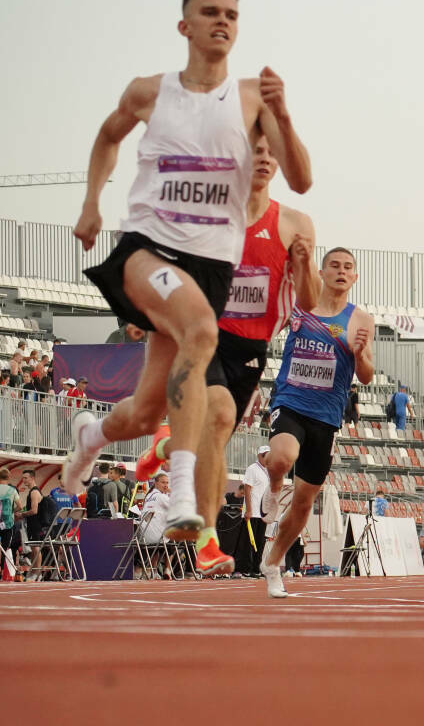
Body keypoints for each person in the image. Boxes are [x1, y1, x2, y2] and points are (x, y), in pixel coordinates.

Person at [64, 0, 313, 551]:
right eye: (210, 13)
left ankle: (93, 433)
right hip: (147, 248)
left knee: (145, 415)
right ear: (185, 27)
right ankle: (182, 499)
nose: (222, 21)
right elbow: (107, 138)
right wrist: (90, 204)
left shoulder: (252, 98)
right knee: (203, 330)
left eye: (231, 14)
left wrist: (284, 114)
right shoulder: (150, 92)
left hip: (207, 267)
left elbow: (300, 178)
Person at [134, 134, 318, 576]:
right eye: (254, 152)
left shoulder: (295, 224)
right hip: (206, 334)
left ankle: (164, 444)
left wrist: (304, 265)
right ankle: (208, 542)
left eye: (271, 154)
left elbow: (308, 302)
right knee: (216, 417)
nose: (263, 160)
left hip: (251, 351)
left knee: (214, 437)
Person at [258, 247, 374, 598]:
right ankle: (275, 484)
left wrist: (357, 353)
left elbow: (367, 376)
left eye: (348, 267)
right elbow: (265, 328)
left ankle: (273, 563)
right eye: (334, 266)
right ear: (322, 272)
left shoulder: (361, 319)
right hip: (291, 401)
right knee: (281, 457)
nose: (341, 271)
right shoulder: (300, 305)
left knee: (306, 504)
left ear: (354, 277)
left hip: (326, 415)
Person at [240, 445, 270, 575]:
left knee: (260, 541)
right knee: (249, 542)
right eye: (265, 455)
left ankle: (256, 568)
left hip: (262, 512)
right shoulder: (252, 469)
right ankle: (247, 568)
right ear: (259, 456)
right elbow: (247, 488)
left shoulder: (269, 470)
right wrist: (248, 510)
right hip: (252, 512)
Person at [142, 473, 171, 545]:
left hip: (145, 536)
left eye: (167, 483)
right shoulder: (161, 497)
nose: (166, 485)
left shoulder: (148, 496)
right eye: (163, 482)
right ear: (156, 484)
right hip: (158, 537)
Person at [0, 468, 19, 559]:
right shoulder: (12, 490)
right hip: (8, 523)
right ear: (8, 477)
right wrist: (12, 512)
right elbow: (20, 506)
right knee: (4, 547)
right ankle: (2, 570)